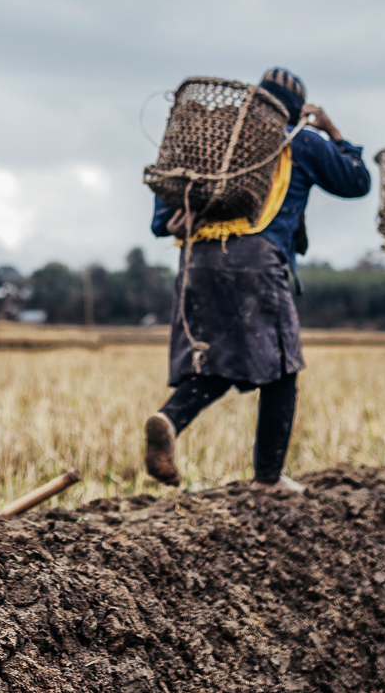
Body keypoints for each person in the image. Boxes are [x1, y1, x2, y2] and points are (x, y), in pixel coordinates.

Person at [143, 69, 371, 493]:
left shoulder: (217, 141)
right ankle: (268, 478)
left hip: (197, 260)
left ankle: (169, 419)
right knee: (281, 366)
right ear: (296, 109)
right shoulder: (298, 140)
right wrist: (333, 131)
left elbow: (162, 221)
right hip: (254, 260)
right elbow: (356, 182)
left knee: (220, 357)